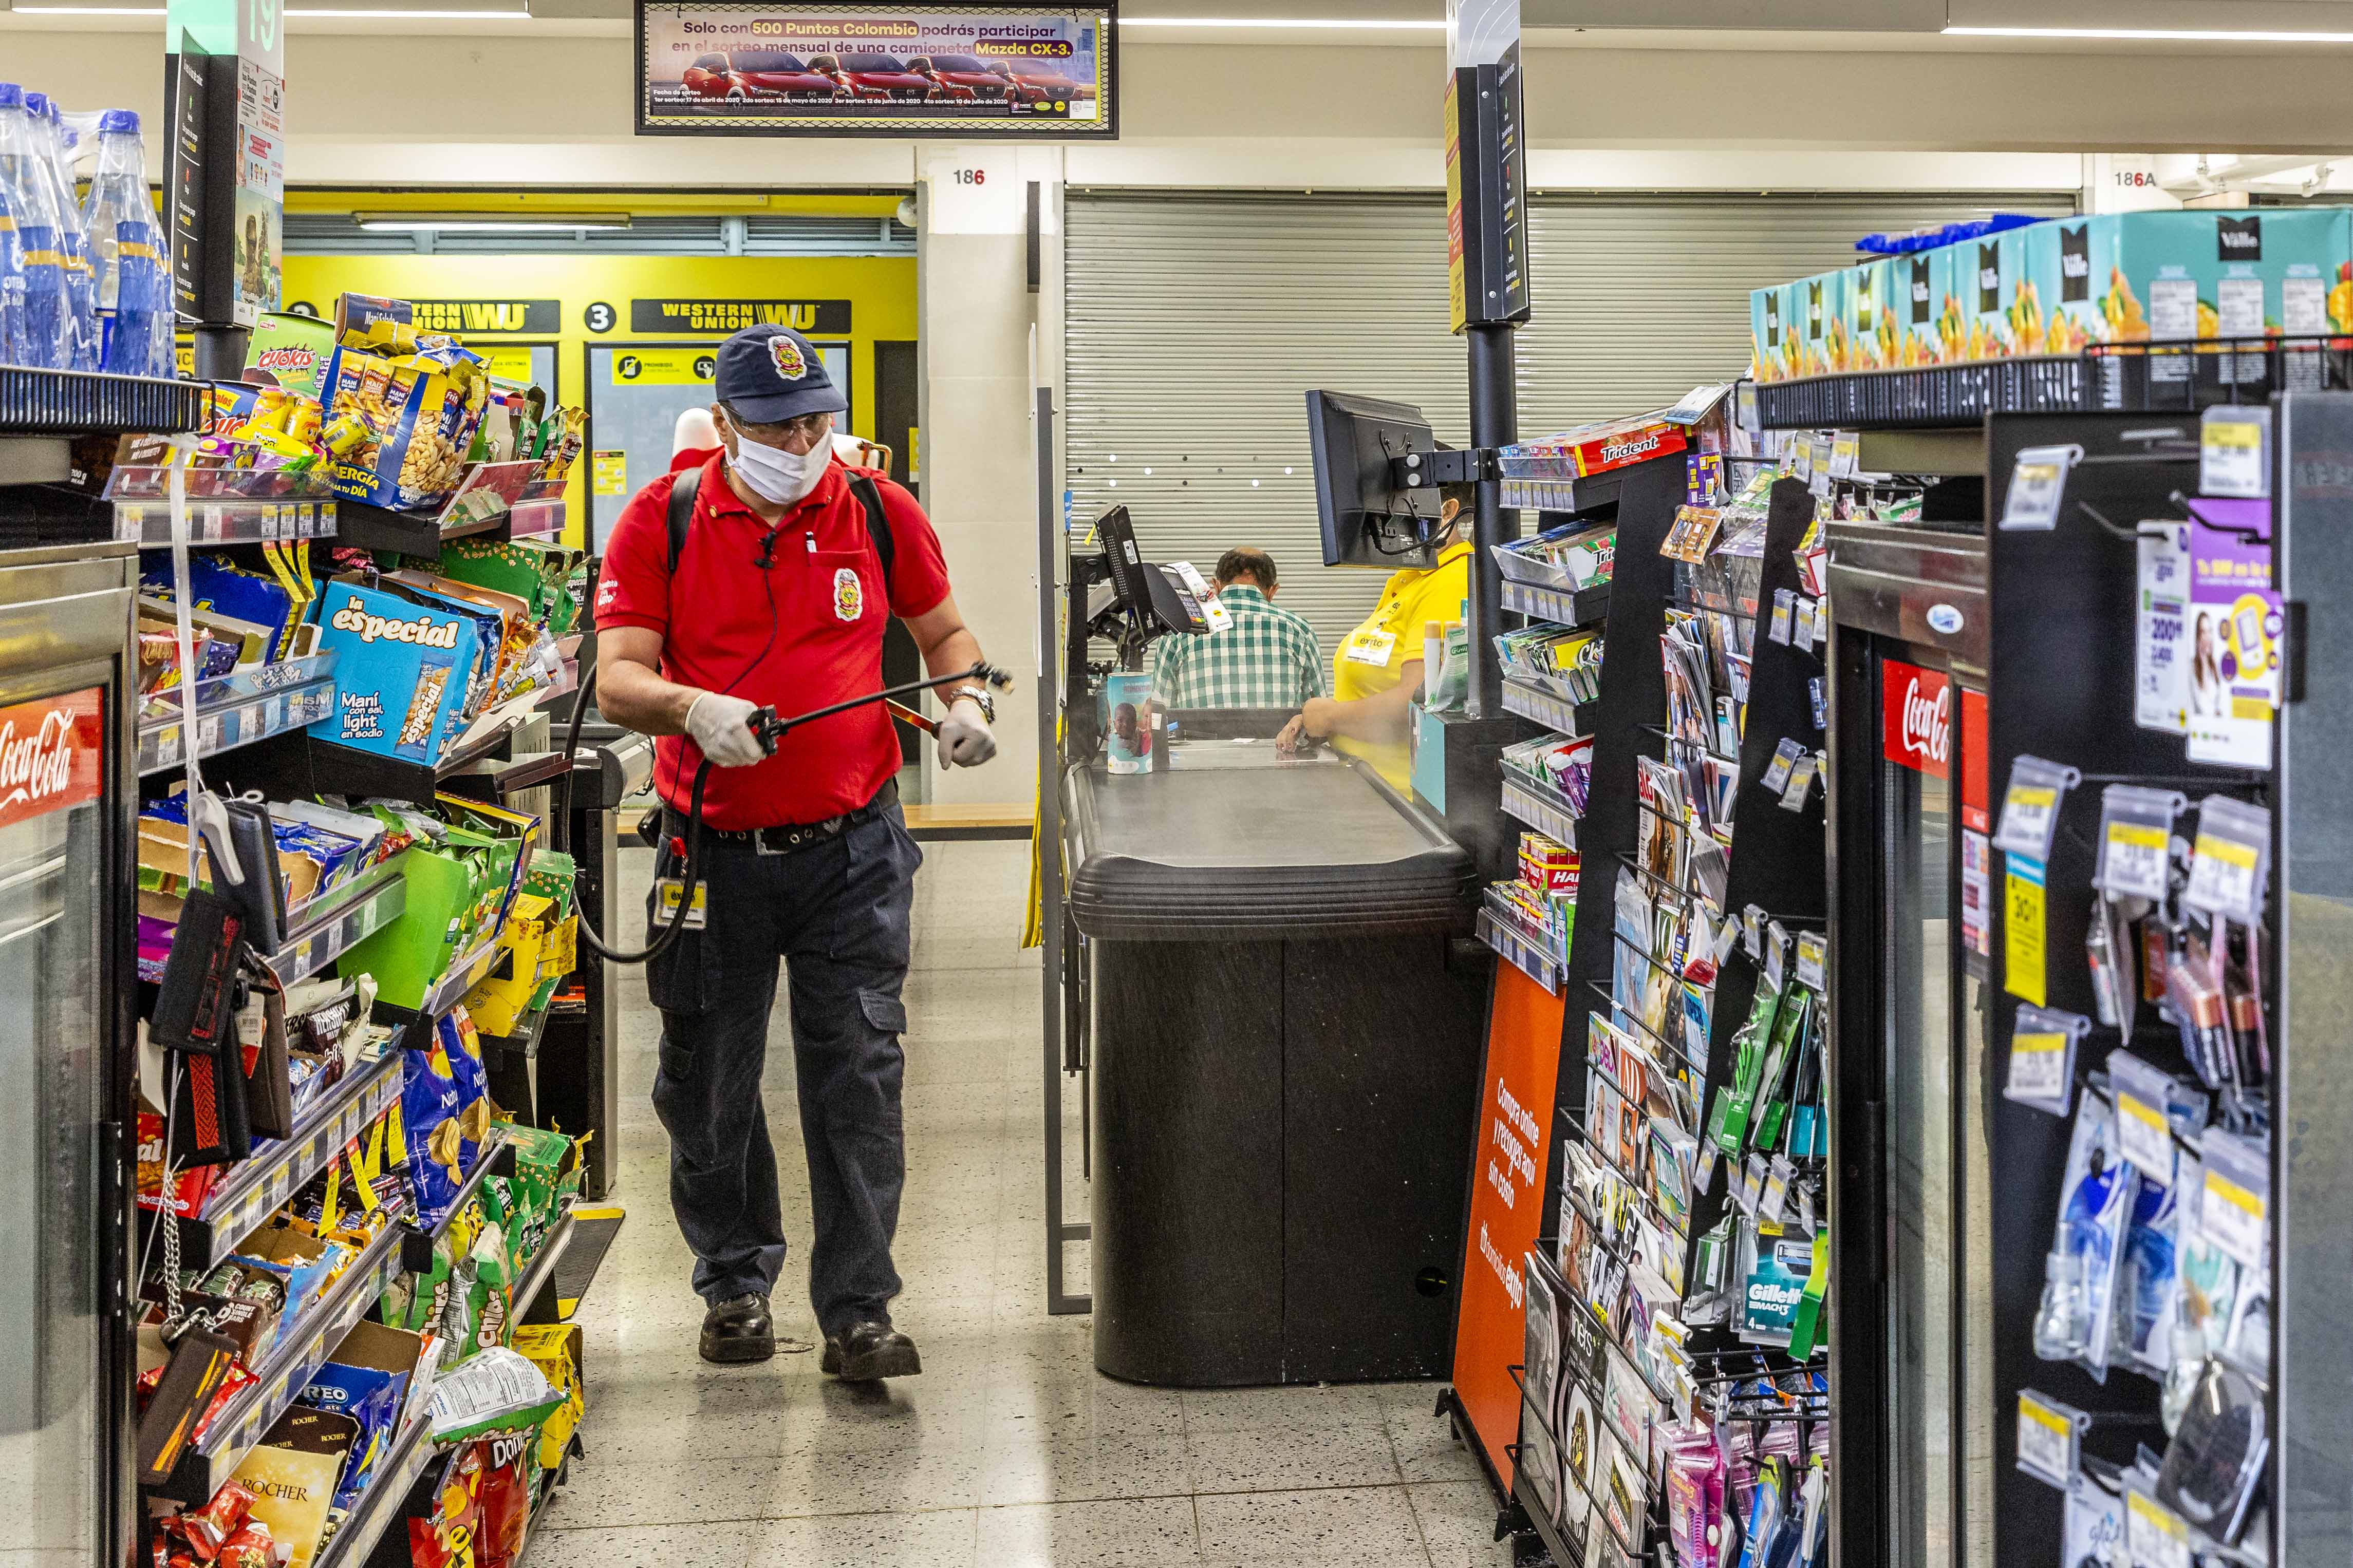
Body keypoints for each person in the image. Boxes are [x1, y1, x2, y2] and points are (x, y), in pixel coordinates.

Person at [593, 324, 1001, 1381]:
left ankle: (858, 1307)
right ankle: (734, 1281)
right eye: (777, 426)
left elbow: (944, 630)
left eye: (816, 419)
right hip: (710, 852)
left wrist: (962, 699)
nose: (803, 440)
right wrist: (690, 707)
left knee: (856, 1070)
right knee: (707, 1079)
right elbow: (616, 676)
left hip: (852, 847)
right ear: (725, 423)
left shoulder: (874, 505)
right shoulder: (664, 518)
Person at [1277, 483, 1473, 787]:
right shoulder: (1411, 579)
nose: (1386, 521)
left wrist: (1331, 717)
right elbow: (1378, 683)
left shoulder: (1451, 582)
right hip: (1364, 788)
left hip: (1402, 803)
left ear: (1447, 511)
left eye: (1397, 506)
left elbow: (1419, 706)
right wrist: (1320, 721)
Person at [1147, 545, 1326, 712]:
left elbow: (1161, 711)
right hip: (1277, 746)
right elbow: (1319, 711)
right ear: (1273, 591)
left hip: (1202, 746)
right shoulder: (1299, 629)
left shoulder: (1178, 630)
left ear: (1216, 586)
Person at [2191, 611, 2224, 716]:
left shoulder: (2215, 667)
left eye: (2210, 631)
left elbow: (2219, 706)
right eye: (2203, 632)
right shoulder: (2191, 667)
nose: (2208, 637)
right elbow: (2199, 707)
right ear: (2198, 636)